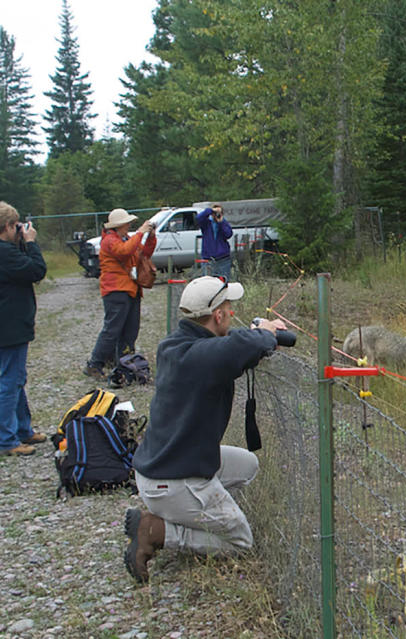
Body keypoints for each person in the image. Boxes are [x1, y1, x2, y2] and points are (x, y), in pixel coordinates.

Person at [123, 275, 286, 583]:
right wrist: (265, 334)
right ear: (218, 315)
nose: (232, 313)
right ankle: (158, 531)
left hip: (165, 465)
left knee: (247, 465)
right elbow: (238, 347)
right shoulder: (200, 357)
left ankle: (200, 513)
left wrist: (255, 336)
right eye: (229, 308)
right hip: (171, 480)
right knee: (241, 541)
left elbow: (230, 347)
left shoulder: (179, 345)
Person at [0, 202, 48, 456]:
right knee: (11, 380)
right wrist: (32, 242)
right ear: (8, 226)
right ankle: (5, 439)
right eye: (17, 226)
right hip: (9, 327)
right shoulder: (2, 253)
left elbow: (22, 269)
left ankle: (23, 429)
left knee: (15, 378)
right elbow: (36, 270)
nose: (21, 230)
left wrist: (21, 243)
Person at [84, 208, 158, 378]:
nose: (129, 226)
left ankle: (125, 361)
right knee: (112, 330)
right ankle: (95, 363)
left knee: (130, 329)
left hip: (129, 289)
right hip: (116, 290)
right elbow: (124, 251)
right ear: (119, 225)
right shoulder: (110, 240)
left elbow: (142, 253)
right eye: (127, 224)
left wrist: (151, 237)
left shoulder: (124, 238)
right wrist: (140, 232)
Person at [196, 203, 233, 279]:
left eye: (218, 213)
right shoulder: (206, 223)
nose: (216, 215)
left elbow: (228, 234)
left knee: (223, 283)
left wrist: (221, 223)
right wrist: (210, 210)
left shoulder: (224, 223)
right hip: (208, 259)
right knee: (208, 284)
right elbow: (198, 218)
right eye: (214, 213)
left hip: (223, 259)